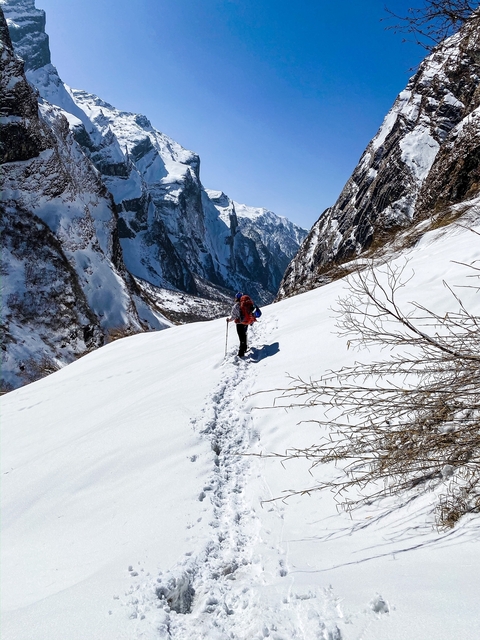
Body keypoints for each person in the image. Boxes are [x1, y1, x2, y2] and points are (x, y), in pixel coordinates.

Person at [227, 292, 257, 357]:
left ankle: (241, 353)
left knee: (241, 337)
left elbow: (233, 316)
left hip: (239, 323)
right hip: (247, 322)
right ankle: (245, 348)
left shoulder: (236, 306)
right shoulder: (247, 304)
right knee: (244, 334)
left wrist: (229, 320)